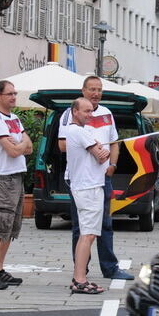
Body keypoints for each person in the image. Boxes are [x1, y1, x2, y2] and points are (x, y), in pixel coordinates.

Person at [57, 76, 132, 281]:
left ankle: (110, 268)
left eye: (99, 89)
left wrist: (112, 166)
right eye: (91, 89)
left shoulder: (107, 113)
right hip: (81, 178)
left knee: (105, 224)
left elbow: (114, 143)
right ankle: (81, 271)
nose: (96, 93)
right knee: (81, 227)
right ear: (83, 90)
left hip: (102, 177)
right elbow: (63, 145)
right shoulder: (70, 115)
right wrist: (90, 145)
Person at [0, 80, 32, 290]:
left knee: (11, 226)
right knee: (0, 225)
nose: (13, 97)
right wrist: (20, 145)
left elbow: (28, 148)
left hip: (16, 175)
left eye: (15, 93)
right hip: (2, 177)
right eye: (9, 94)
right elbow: (13, 151)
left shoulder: (15, 119)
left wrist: (18, 144)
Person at [64, 98, 110, 295]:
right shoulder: (79, 131)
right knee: (88, 234)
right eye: (86, 111)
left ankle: (79, 277)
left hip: (86, 186)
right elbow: (100, 157)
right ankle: (80, 279)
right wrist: (104, 151)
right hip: (88, 188)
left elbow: (96, 152)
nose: (90, 115)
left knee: (87, 233)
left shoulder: (77, 132)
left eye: (92, 111)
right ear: (75, 111)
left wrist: (99, 148)